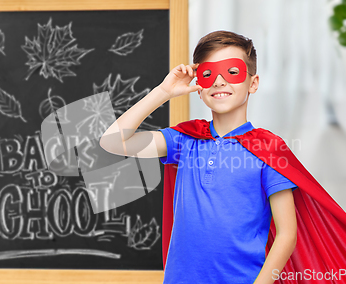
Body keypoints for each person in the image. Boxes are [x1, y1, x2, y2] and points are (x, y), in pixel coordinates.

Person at [100, 30, 297, 283]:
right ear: (199, 88)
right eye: (208, 74)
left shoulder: (269, 148)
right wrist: (163, 91)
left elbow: (287, 234)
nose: (219, 81)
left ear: (253, 83)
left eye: (232, 72)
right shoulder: (184, 140)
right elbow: (113, 141)